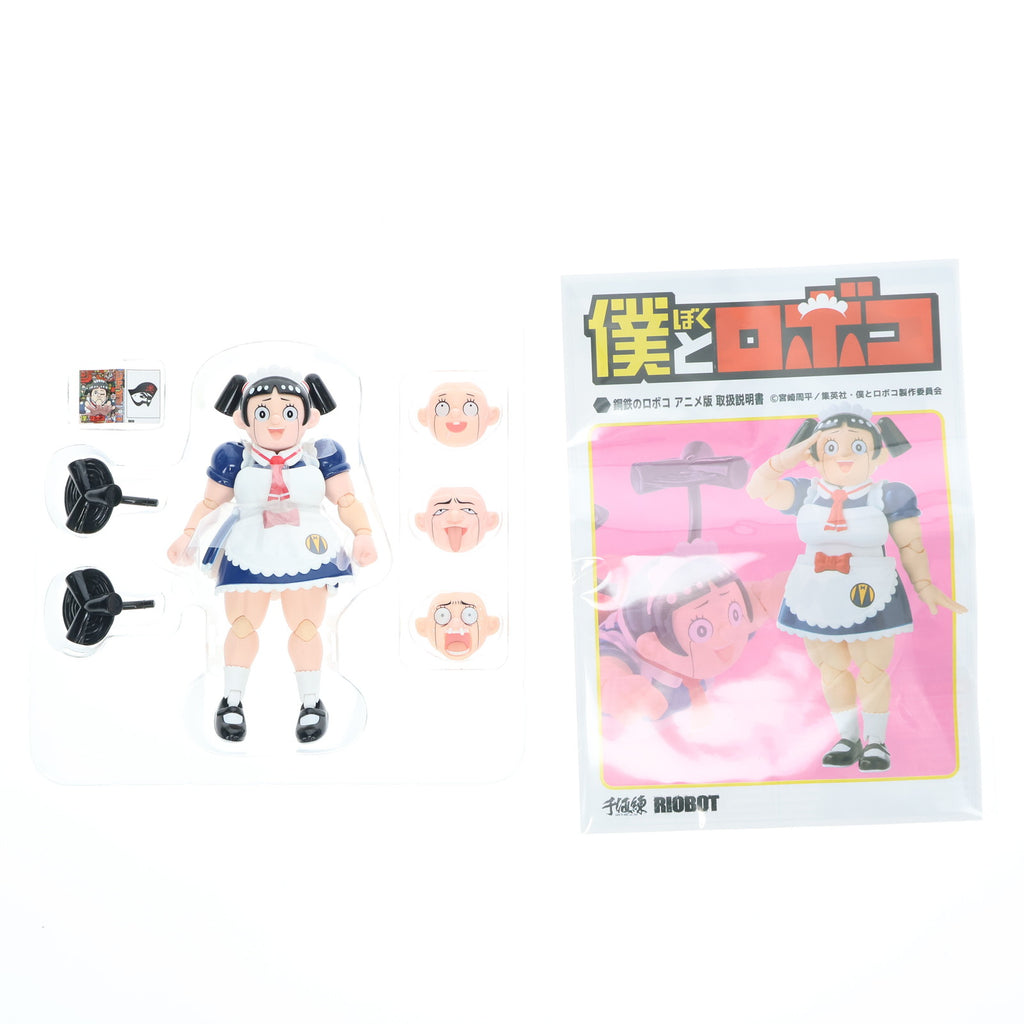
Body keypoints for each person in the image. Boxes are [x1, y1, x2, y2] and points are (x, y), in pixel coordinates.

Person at [746, 403, 966, 771]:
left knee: (872, 670)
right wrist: (790, 457)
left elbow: (911, 544)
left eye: (858, 446)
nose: (844, 455)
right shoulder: (804, 492)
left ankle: (876, 741)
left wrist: (924, 584)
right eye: (831, 446)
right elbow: (758, 488)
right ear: (814, 455)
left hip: (870, 590)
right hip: (815, 590)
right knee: (831, 670)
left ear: (877, 454)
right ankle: (848, 738)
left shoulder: (889, 494)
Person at [167, 372, 378, 743]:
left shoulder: (322, 455)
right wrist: (188, 535)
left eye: (289, 412)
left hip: (307, 550)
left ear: (308, 418)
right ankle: (231, 700)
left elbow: (346, 500)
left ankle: (311, 702)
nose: (276, 421)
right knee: (242, 625)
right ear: (243, 420)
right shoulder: (234, 457)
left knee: (307, 627)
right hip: (250, 550)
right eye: (263, 413)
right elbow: (210, 503)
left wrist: (363, 532)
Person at [599, 555, 783, 726]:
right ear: (653, 647)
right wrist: (616, 688)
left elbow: (755, 599)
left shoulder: (733, 626)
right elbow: (604, 667)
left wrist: (773, 595)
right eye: (701, 629)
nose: (728, 631)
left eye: (734, 613)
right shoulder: (619, 646)